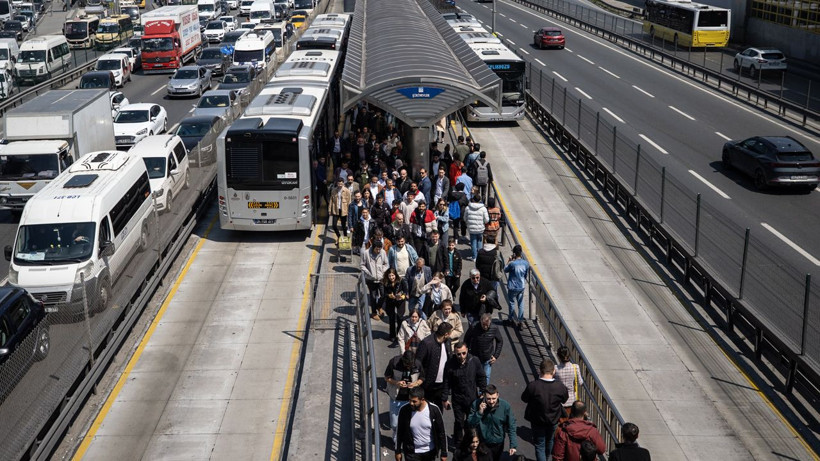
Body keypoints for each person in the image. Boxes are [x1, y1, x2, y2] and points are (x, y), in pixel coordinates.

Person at [521, 359, 569, 461]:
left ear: (540, 371)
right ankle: (547, 458)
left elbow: (524, 398)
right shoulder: (560, 387)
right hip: (553, 420)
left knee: (539, 445)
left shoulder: (533, 386)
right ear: (553, 371)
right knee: (550, 440)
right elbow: (565, 400)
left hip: (537, 420)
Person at [444, 342, 486, 448]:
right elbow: (446, 382)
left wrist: (483, 390)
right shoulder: (450, 364)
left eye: (463, 353)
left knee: (470, 421)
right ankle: (458, 444)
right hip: (457, 398)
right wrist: (444, 398)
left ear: (467, 350)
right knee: (459, 422)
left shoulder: (474, 361)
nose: (461, 356)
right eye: (458, 354)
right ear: (454, 352)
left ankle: (470, 441)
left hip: (472, 397)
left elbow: (481, 376)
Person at [395, 387, 448, 461]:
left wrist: (444, 453)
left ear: (422, 400)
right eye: (409, 400)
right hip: (412, 453)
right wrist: (397, 451)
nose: (411, 403)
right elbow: (399, 432)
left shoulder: (434, 410)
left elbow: (441, 432)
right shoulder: (404, 410)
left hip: (429, 452)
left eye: (414, 401)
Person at [467, 384, 518, 460]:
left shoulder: (505, 406)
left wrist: (513, 445)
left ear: (498, 395)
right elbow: (470, 423)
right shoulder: (476, 404)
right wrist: (479, 413)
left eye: (494, 398)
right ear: (484, 396)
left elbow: (511, 426)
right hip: (483, 443)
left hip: (498, 444)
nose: (491, 401)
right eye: (488, 399)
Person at [385, 350, 425, 445]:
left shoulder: (418, 364)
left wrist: (415, 383)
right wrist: (396, 383)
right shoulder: (394, 362)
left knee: (410, 422)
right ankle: (396, 434)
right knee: (394, 423)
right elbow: (387, 377)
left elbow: (422, 378)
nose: (408, 367)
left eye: (410, 365)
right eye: (406, 365)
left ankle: (406, 437)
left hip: (410, 397)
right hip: (396, 396)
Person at [416, 322, 454, 409]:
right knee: (426, 409)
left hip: (441, 384)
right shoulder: (426, 343)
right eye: (450, 333)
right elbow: (418, 363)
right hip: (427, 384)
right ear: (446, 334)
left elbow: (450, 358)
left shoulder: (448, 341)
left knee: (438, 410)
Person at [463, 313, 503, 385]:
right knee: (474, 376)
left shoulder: (494, 328)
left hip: (487, 357)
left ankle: (483, 392)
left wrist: (496, 356)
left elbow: (500, 341)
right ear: (480, 322)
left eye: (487, 325)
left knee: (486, 376)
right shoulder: (474, 327)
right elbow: (466, 339)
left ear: (490, 323)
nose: (485, 327)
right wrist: (467, 352)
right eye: (483, 324)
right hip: (475, 356)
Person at [361, 239, 388, 320]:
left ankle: (379, 307)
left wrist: (383, 271)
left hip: (381, 278)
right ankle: (373, 312)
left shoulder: (382, 252)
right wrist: (369, 273)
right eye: (377, 249)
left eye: (380, 249)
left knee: (383, 294)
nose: (378, 250)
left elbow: (386, 264)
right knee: (373, 296)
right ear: (373, 247)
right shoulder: (366, 253)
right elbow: (362, 265)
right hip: (371, 279)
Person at [504, 245, 530, 329]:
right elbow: (525, 275)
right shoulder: (526, 263)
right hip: (521, 286)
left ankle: (510, 319)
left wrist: (508, 261)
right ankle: (520, 320)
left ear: (514, 253)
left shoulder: (513, 264)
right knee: (520, 303)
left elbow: (505, 269)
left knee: (511, 302)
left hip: (512, 286)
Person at [555, 346, 584, 418]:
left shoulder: (555, 368)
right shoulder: (575, 367)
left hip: (559, 402)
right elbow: (580, 382)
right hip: (572, 401)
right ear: (569, 355)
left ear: (558, 356)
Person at [383, 268, 408, 345]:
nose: (391, 277)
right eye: (390, 276)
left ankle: (400, 334)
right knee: (391, 318)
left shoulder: (401, 280)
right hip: (390, 301)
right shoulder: (385, 283)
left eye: (393, 275)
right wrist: (389, 295)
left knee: (400, 318)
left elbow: (406, 290)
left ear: (395, 275)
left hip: (400, 301)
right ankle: (392, 335)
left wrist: (402, 296)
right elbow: (383, 293)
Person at [462, 196, 489, 261]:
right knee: (480, 241)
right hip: (480, 228)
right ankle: (480, 256)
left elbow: (464, 218)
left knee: (473, 242)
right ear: (480, 200)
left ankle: (474, 257)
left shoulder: (468, 208)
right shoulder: (483, 208)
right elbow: (486, 220)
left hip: (471, 228)